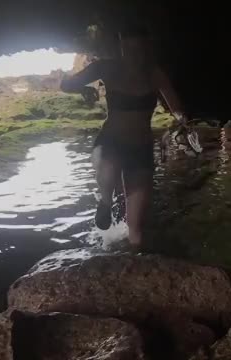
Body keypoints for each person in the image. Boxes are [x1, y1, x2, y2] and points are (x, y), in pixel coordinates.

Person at [60, 24, 188, 251]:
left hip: (142, 149)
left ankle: (135, 265)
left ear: (146, 49)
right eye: (128, 49)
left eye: (139, 49)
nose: (134, 55)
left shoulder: (154, 73)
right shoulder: (106, 68)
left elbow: (176, 107)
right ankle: (106, 202)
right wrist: (82, 89)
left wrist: (182, 122)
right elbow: (67, 84)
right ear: (121, 48)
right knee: (108, 166)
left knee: (136, 227)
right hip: (111, 141)